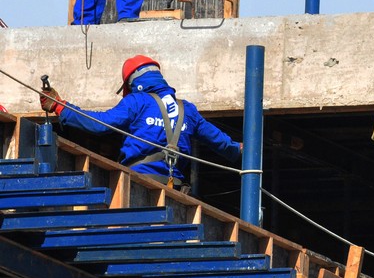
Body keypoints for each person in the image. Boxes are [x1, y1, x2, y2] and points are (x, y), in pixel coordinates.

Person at [39, 55, 242, 190]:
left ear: (133, 84)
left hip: (138, 184)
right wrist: (241, 150)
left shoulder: (137, 102)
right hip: (176, 190)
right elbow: (221, 143)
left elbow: (100, 124)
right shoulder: (187, 110)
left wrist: (60, 107)